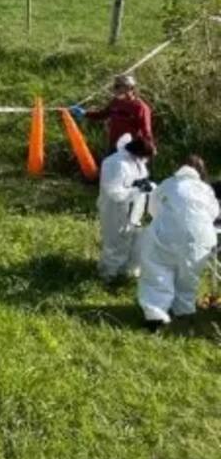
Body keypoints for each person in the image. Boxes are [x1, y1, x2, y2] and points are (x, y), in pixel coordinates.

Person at [137, 156, 220, 332]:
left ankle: (155, 314)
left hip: (165, 234)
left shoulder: (167, 184)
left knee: (157, 270)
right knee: (188, 275)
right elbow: (214, 213)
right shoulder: (205, 189)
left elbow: (152, 209)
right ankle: (183, 312)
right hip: (199, 237)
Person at [96, 134, 154, 282]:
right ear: (137, 151)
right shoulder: (115, 163)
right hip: (115, 209)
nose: (146, 160)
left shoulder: (137, 160)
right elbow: (114, 192)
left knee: (136, 240)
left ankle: (128, 272)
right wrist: (136, 190)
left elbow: (141, 179)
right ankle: (109, 276)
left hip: (135, 209)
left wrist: (149, 187)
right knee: (115, 242)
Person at [72, 75, 155, 154]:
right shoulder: (115, 102)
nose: (116, 89)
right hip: (113, 146)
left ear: (130, 89)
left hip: (130, 149)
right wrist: (85, 113)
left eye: (119, 87)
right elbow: (102, 115)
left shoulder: (141, 107)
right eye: (115, 86)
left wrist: (150, 148)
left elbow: (146, 131)